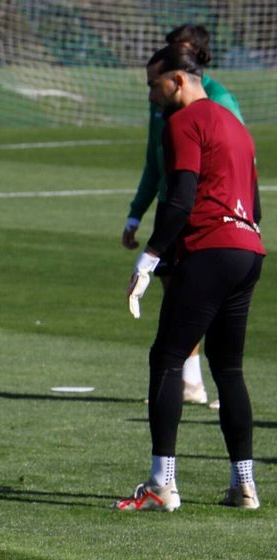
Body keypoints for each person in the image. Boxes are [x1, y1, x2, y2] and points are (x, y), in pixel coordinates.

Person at [117, 43, 262, 512]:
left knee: (166, 359)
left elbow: (179, 200)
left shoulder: (183, 122)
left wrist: (149, 258)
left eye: (154, 85)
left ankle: (163, 484)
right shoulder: (237, 127)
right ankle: (244, 485)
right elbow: (256, 206)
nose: (150, 96)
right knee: (229, 369)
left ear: (177, 80)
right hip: (248, 250)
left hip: (209, 249)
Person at [122, 24, 244, 411]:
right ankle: (192, 384)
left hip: (209, 219)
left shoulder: (218, 101)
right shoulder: (163, 103)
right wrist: (136, 214)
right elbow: (153, 162)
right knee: (177, 303)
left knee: (201, 313)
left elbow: (239, 158)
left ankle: (216, 387)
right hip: (175, 209)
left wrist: (148, 256)